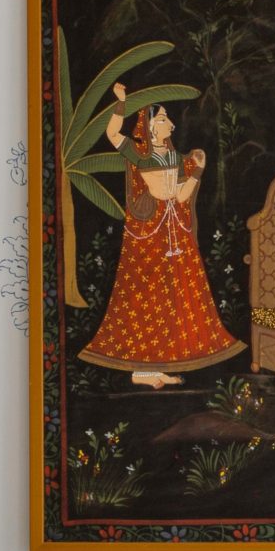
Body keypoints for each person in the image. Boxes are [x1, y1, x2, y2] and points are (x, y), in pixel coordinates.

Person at [78, 97, 243, 387]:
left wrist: (198, 171)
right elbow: (113, 133)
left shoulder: (176, 158)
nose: (172, 124)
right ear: (151, 126)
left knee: (173, 300)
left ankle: (154, 369)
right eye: (164, 119)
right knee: (145, 299)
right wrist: (120, 104)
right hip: (148, 236)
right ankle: (140, 371)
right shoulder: (139, 153)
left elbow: (180, 196)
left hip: (174, 231)